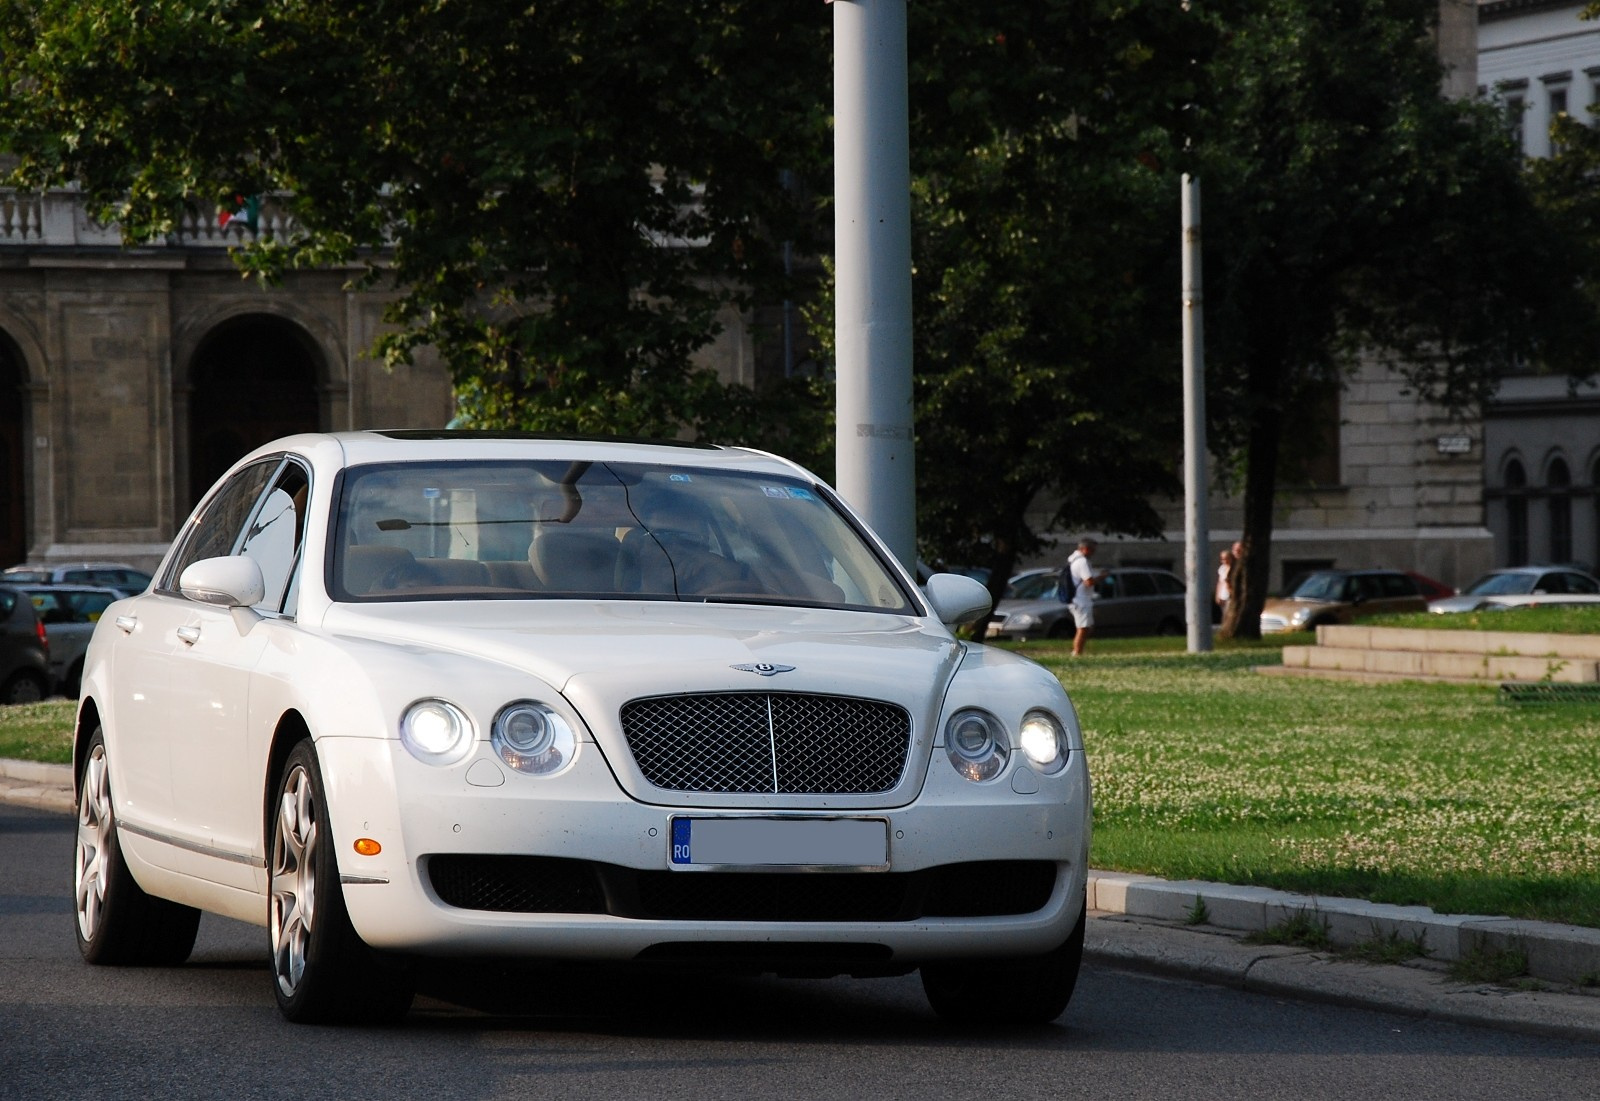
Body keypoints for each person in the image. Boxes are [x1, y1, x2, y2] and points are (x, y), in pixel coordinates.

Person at [1064, 538, 1100, 656]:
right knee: (1083, 627)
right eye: (1092, 550)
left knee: (1086, 627)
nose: (1093, 553)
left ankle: (1079, 650)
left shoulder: (1073, 560)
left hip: (1078, 599)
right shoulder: (1082, 562)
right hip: (1081, 599)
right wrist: (1102, 577)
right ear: (1085, 549)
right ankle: (1077, 652)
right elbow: (1088, 582)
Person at [1215, 547, 1235, 618]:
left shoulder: (1234, 569)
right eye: (1222, 559)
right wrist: (1217, 595)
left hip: (1231, 595)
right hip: (1223, 595)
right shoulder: (1222, 568)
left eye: (1226, 558)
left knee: (1231, 615)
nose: (1224, 561)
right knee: (1224, 615)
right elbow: (1220, 583)